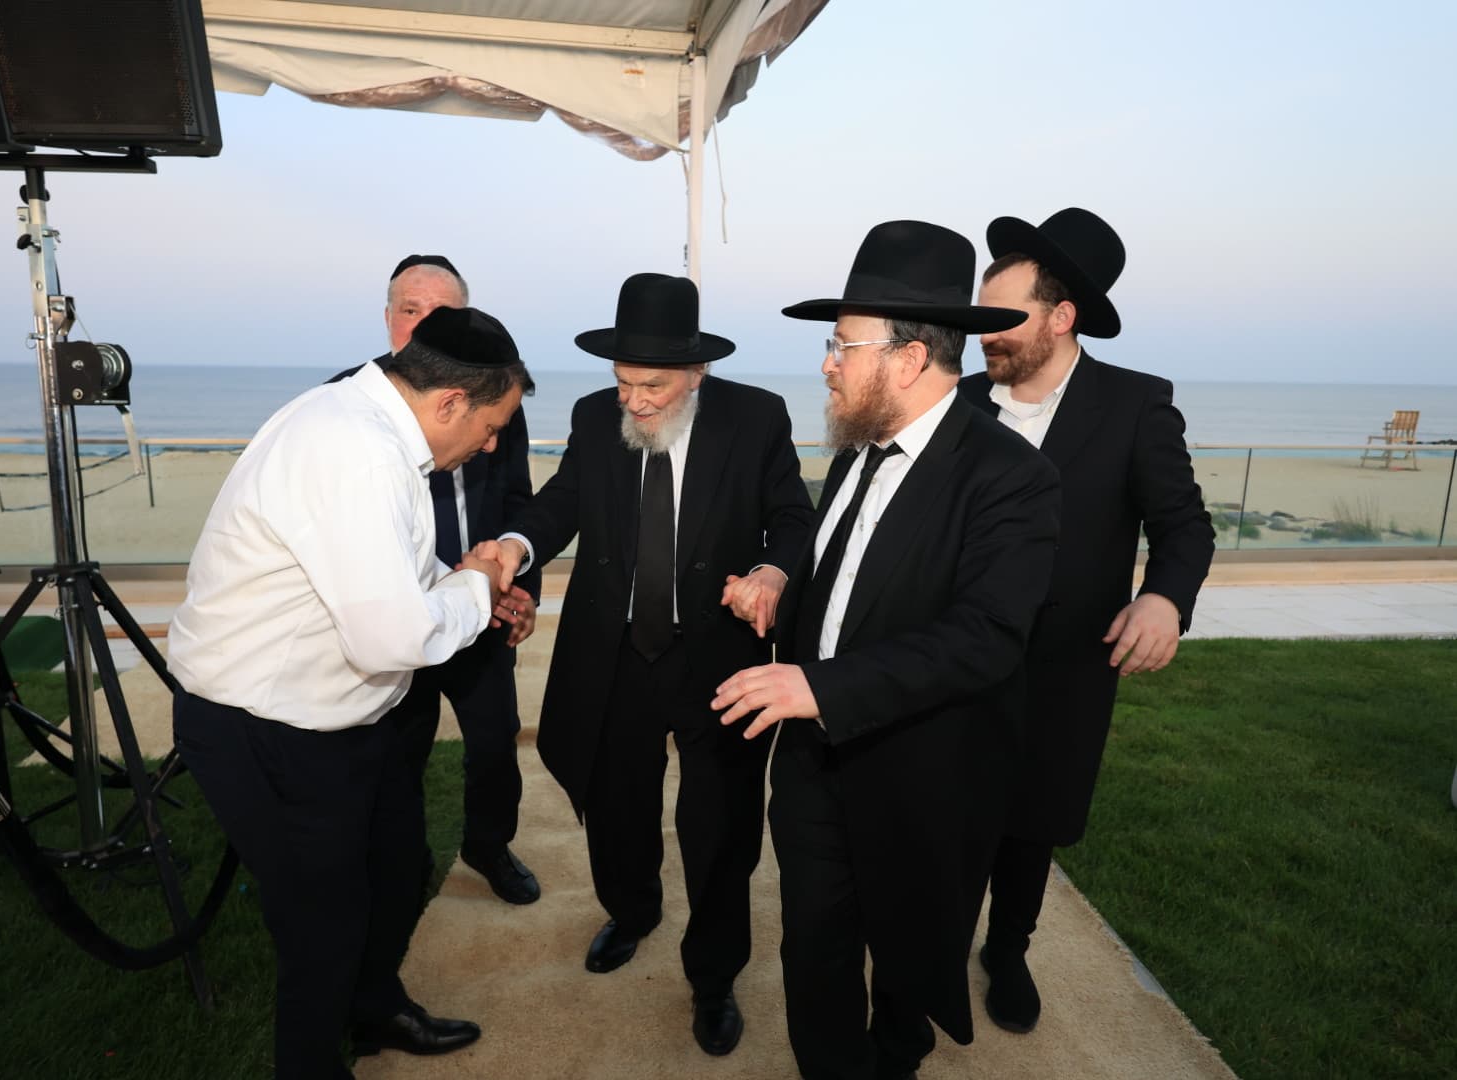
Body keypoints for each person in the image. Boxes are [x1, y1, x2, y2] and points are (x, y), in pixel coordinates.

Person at [711, 220, 1061, 1080]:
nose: (828, 363)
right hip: (813, 767)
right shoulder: (855, 450)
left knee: (908, 960)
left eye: (843, 345)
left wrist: (821, 687)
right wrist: (781, 588)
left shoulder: (1011, 477)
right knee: (814, 954)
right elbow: (848, 574)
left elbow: (986, 637)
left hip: (920, 772)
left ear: (908, 359)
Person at [167, 305, 533, 1079]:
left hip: (347, 720)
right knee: (321, 928)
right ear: (451, 402)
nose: (492, 445)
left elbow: (401, 571)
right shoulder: (352, 450)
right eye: (492, 426)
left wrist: (471, 588)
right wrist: (476, 587)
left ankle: (375, 1008)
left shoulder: (376, 431)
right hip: (265, 727)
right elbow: (392, 638)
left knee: (397, 869)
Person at [490, 272, 813, 1056]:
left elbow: (793, 517)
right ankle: (632, 912)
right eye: (623, 382)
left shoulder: (757, 417)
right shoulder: (593, 416)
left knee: (719, 828)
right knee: (617, 807)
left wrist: (773, 573)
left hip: (718, 659)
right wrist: (516, 545)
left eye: (653, 386)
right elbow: (562, 501)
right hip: (615, 654)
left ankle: (714, 976)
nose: (633, 401)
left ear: (697, 372)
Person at [960, 207, 1214, 1034]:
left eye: (1003, 317)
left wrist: (1164, 598)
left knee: (1032, 821)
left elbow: (1185, 527)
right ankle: (936, 943)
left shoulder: (1135, 405)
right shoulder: (960, 402)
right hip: (951, 657)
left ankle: (1007, 949)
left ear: (1061, 317)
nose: (983, 333)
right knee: (948, 808)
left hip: (1064, 665)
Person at [330, 254, 542, 908]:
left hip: (484, 608)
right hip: (396, 615)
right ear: (387, 318)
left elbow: (518, 501)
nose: (423, 324)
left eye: (441, 313)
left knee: (495, 742)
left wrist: (518, 584)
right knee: (397, 750)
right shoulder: (349, 405)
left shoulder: (496, 398)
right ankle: (405, 857)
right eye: (410, 310)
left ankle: (488, 845)